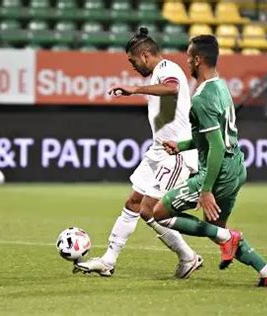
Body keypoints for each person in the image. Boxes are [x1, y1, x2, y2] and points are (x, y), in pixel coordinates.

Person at [153, 35, 267, 286]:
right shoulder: (221, 87)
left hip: (218, 171)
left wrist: (205, 190)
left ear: (198, 59)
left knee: (159, 212)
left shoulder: (201, 99)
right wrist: (181, 146)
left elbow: (215, 146)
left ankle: (228, 238)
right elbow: (215, 138)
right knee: (217, 229)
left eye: (189, 58)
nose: (187, 62)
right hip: (236, 166)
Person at [75, 27, 203, 279]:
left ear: (145, 55)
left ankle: (202, 247)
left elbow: (172, 88)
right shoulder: (157, 72)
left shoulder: (167, 69)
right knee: (135, 204)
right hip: (159, 150)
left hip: (175, 152)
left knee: (153, 209)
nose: (132, 66)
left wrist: (134, 90)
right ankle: (109, 260)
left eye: (132, 60)